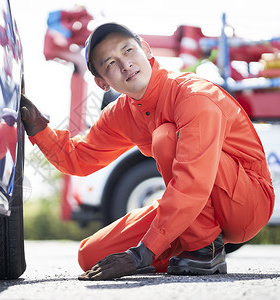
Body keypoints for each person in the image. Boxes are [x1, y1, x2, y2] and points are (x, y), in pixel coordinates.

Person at [20, 23, 275, 280]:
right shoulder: (121, 113)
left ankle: (202, 250)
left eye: (128, 50)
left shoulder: (193, 97)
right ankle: (184, 250)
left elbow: (192, 182)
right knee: (92, 256)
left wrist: (141, 254)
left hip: (246, 203)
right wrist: (38, 127)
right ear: (102, 83)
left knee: (164, 138)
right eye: (110, 64)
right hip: (197, 203)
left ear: (146, 49)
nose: (125, 64)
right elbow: (79, 159)